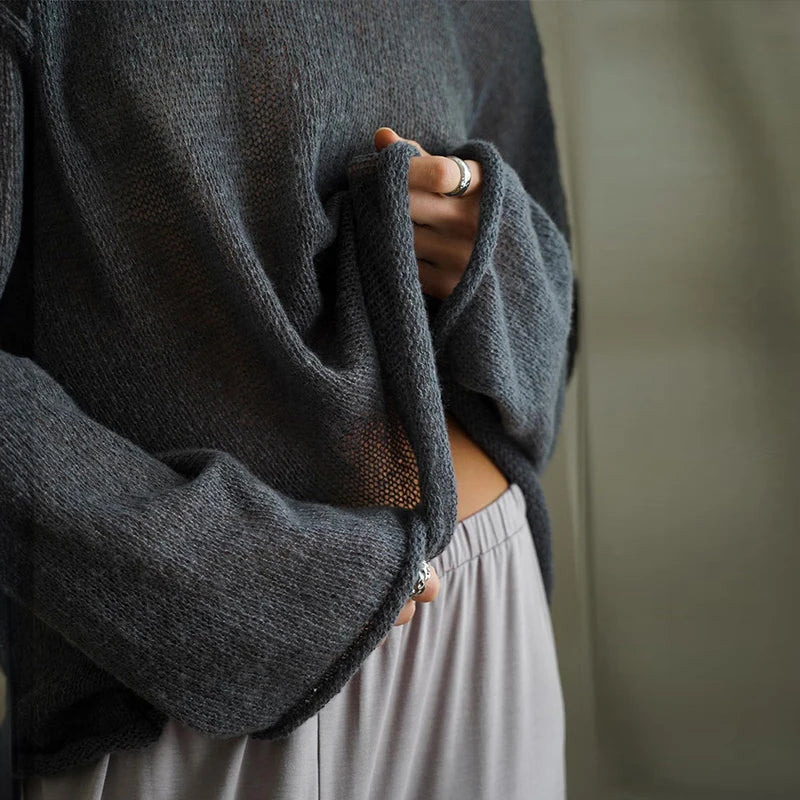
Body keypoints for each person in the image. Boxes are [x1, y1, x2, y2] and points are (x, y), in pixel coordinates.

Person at [0, 1, 577, 797]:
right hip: (194, 676)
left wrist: (494, 250)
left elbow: (555, 319)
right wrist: (240, 587)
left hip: (480, 611)